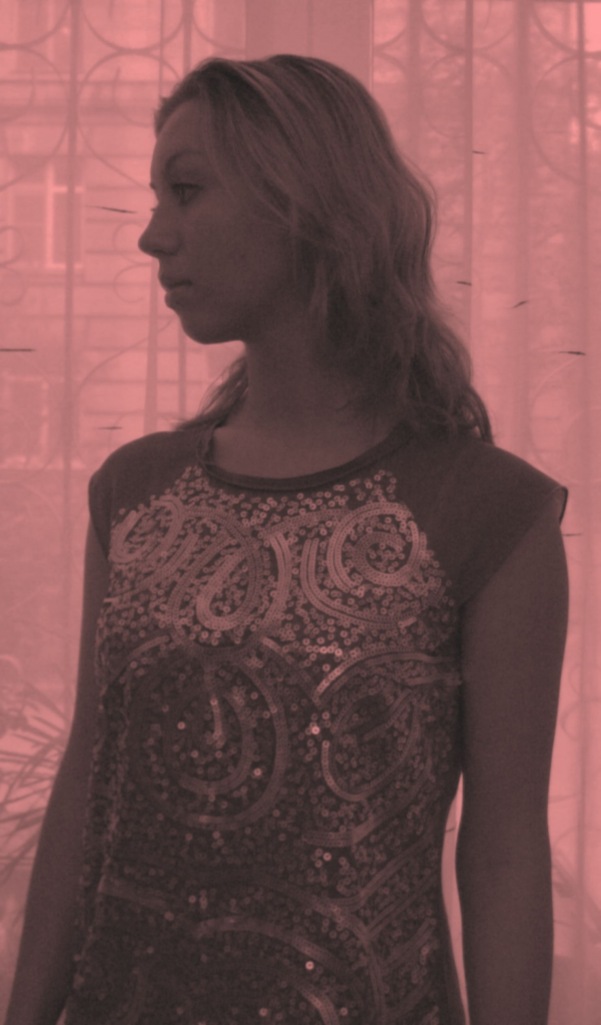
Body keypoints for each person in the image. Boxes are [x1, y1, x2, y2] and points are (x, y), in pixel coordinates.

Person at [4, 55, 568, 1025]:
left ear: (303, 202)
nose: (152, 234)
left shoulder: (487, 510)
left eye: (187, 190)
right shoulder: (134, 493)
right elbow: (87, 790)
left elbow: (503, 851)